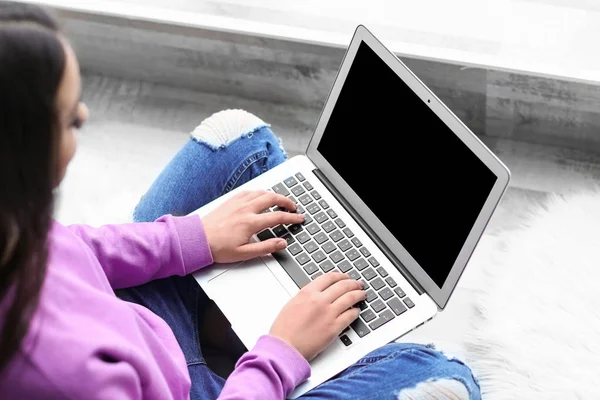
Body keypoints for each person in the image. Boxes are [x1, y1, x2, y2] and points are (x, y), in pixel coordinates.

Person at [0, 3, 481, 399]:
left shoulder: (12, 219)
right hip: (186, 390)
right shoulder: (58, 377)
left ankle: (234, 321)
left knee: (242, 144)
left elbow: (76, 248)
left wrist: (196, 238)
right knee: (446, 380)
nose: (85, 113)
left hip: (136, 323)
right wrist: (280, 353)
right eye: (69, 119)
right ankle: (255, 345)